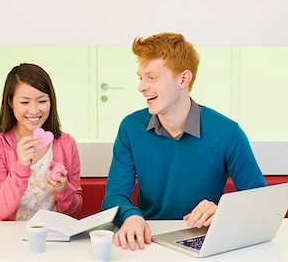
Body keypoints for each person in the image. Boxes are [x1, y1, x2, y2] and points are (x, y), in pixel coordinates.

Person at [102, 33, 266, 250]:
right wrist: (131, 216)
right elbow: (114, 196)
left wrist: (223, 211)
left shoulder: (228, 132)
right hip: (148, 242)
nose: (141, 87)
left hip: (206, 243)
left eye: (152, 77)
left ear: (183, 79)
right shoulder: (130, 127)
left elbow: (260, 202)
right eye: (140, 77)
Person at [0, 63, 83, 221]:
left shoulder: (66, 143)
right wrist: (21, 166)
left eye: (42, 101)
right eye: (25, 102)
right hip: (6, 239)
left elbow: (75, 211)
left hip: (53, 237)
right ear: (11, 102)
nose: (34, 110)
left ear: (51, 101)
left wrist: (64, 190)